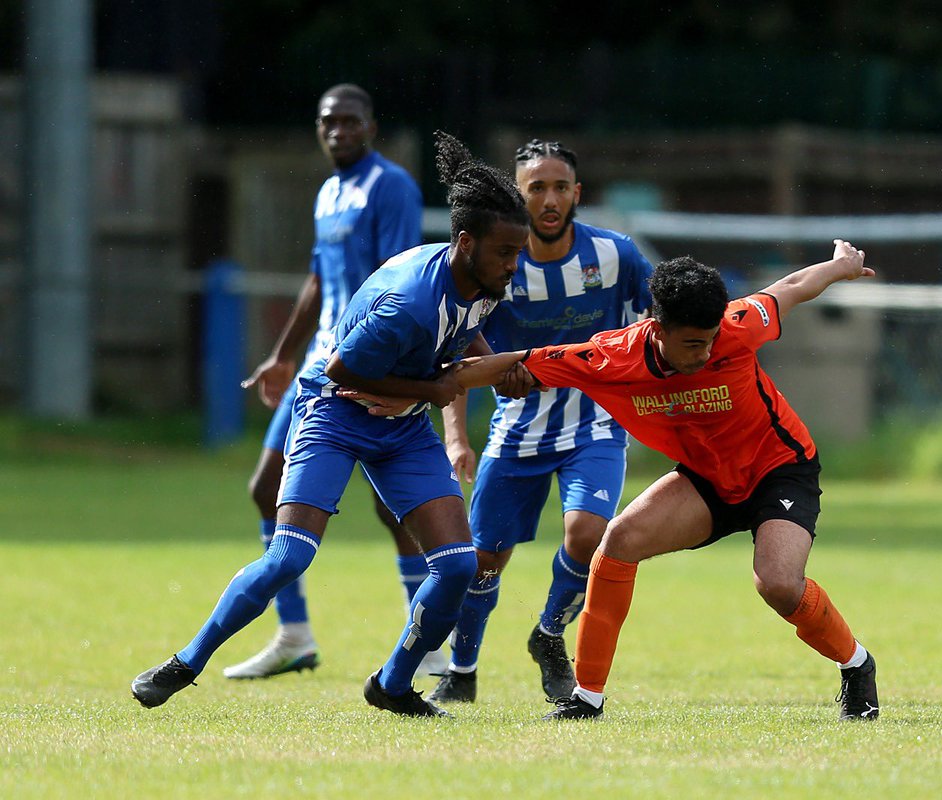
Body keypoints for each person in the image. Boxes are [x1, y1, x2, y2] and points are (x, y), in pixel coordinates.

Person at [340, 240, 881, 721]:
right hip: (709, 482)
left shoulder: (737, 325)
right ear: (658, 328)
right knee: (616, 544)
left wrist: (837, 266)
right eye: (694, 343)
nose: (708, 351)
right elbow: (510, 361)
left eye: (713, 338)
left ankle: (856, 663)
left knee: (777, 584)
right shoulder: (612, 357)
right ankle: (587, 697)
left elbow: (789, 287)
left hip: (779, 468)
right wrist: (410, 391)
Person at [131, 131, 531, 717]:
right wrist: (434, 388)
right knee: (290, 556)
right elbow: (343, 369)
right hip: (333, 412)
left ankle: (393, 684)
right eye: (505, 253)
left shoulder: (482, 282)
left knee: (459, 565)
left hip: (400, 426)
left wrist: (503, 369)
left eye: (517, 253)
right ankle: (185, 663)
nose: (513, 265)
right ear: (466, 243)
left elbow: (460, 339)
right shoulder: (408, 302)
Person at [229, 83, 446, 680]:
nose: (338, 131)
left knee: (393, 505)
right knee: (264, 488)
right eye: (328, 122)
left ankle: (425, 641)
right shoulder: (328, 193)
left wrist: (393, 372)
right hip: (316, 369)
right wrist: (280, 356)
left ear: (371, 127)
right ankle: (294, 635)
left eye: (350, 121)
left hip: (366, 364)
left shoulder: (391, 187)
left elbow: (401, 280)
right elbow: (319, 280)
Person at [431, 139, 655, 704]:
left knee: (587, 533)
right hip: (517, 429)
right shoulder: (497, 262)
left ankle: (550, 634)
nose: (550, 199)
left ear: (577, 194)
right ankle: (461, 670)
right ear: (518, 194)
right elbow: (456, 354)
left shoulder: (617, 255)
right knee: (484, 559)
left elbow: (663, 317)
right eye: (536, 188)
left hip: (596, 423)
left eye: (560, 188)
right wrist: (457, 438)